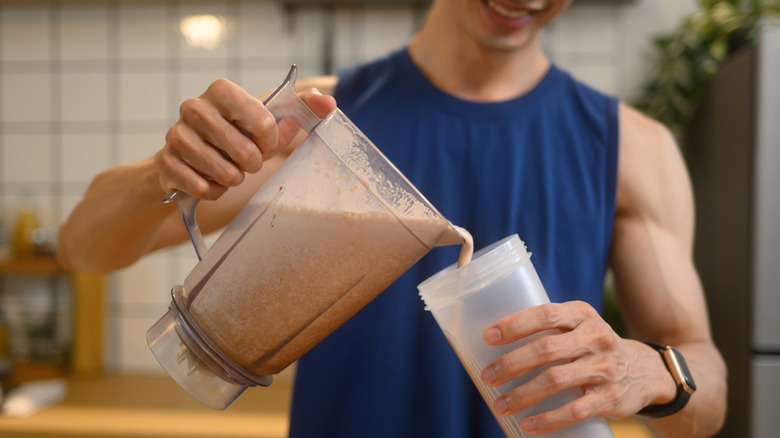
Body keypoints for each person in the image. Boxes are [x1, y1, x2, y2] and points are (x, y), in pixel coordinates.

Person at [57, 0, 727, 437]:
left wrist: (652, 371)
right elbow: (82, 247)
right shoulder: (324, 121)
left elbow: (707, 398)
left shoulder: (631, 146)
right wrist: (161, 173)